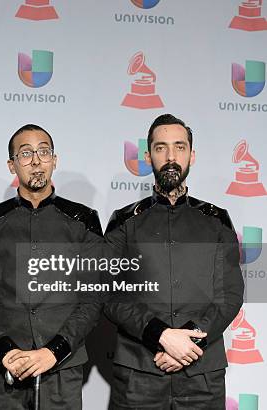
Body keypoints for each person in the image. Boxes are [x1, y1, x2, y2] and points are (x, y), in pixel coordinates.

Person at [104, 114, 244, 409]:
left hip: (202, 375)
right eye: (161, 148)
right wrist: (161, 335)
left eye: (179, 147)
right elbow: (109, 293)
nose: (170, 156)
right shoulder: (124, 221)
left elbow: (229, 295)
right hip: (138, 374)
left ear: (192, 155)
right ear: (147, 156)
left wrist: (189, 342)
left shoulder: (216, 221)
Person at [0, 124, 104, 409]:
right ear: (12, 165)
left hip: (61, 369)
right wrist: (5, 350)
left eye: (44, 151)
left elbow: (93, 299)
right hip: (0, 371)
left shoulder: (84, 220)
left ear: (54, 160)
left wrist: (54, 351)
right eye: (26, 153)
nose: (36, 160)